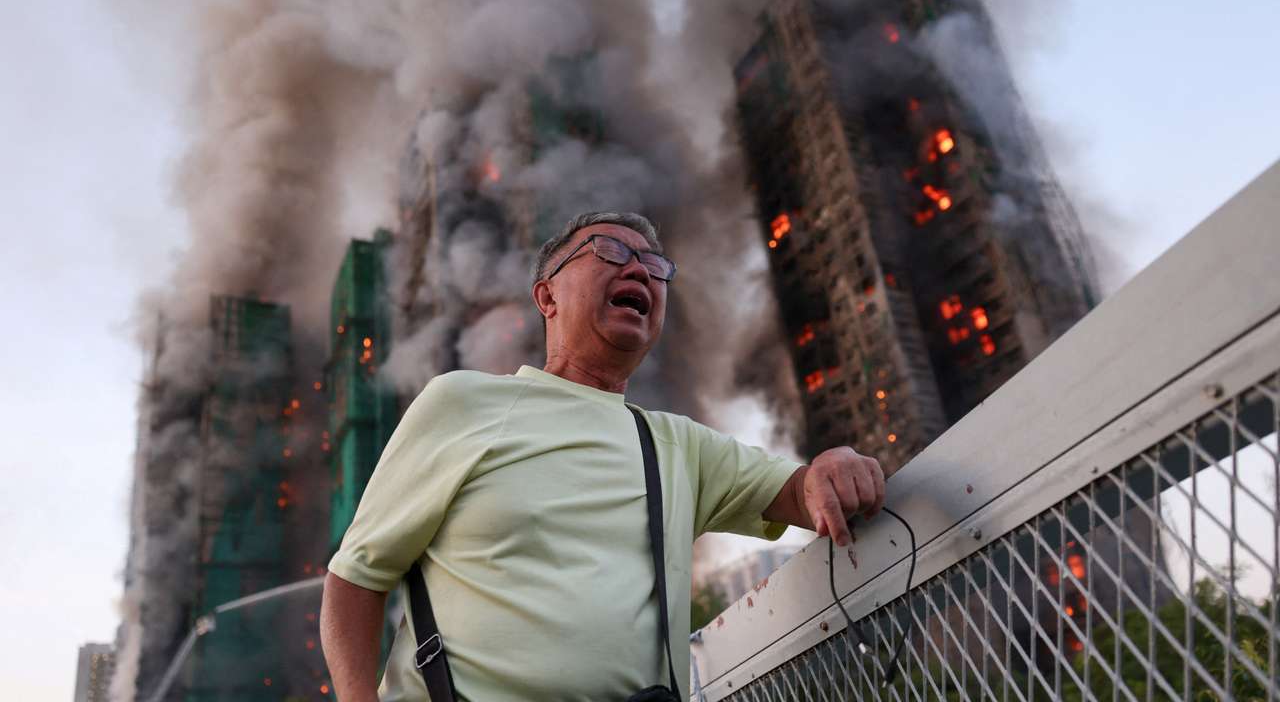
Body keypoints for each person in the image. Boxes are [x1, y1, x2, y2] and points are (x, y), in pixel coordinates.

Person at [321, 211, 886, 701]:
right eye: (610, 251)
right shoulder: (463, 402)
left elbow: (794, 490)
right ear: (546, 296)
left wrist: (829, 469)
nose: (641, 269)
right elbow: (357, 577)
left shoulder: (679, 444)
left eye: (656, 266)